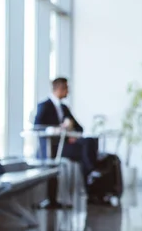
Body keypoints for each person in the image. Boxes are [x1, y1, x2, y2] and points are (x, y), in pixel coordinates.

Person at [34, 77, 100, 208]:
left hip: (65, 145)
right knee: (86, 150)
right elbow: (38, 127)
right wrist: (59, 129)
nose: (68, 92)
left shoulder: (64, 108)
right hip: (51, 147)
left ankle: (92, 183)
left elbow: (79, 128)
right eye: (66, 88)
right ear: (59, 88)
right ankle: (91, 173)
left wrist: (71, 132)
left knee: (90, 142)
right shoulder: (44, 106)